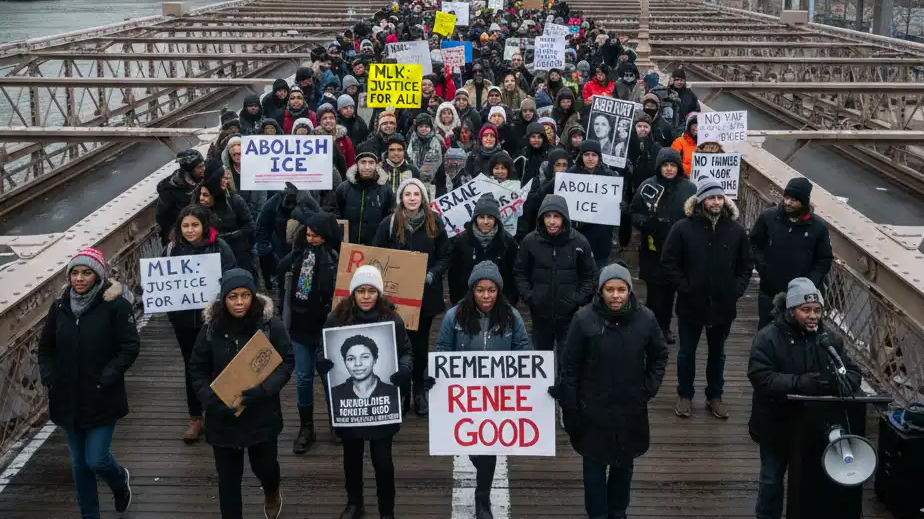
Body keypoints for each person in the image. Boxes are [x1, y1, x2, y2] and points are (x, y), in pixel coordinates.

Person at [553, 263, 669, 519]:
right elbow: (569, 364)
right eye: (609, 289)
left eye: (621, 289)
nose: (615, 295)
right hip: (592, 408)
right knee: (593, 468)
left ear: (629, 291)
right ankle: (597, 514)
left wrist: (648, 388)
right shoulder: (584, 319)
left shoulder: (646, 319)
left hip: (630, 408)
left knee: (624, 466)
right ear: (601, 291)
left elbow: (659, 354)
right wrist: (570, 405)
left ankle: (618, 511)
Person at [38, 247, 139, 519]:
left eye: (86, 273)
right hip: (66, 397)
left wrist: (107, 377)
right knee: (79, 465)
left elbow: (129, 347)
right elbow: (45, 348)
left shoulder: (115, 305)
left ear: (97, 276)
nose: (79, 278)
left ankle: (120, 482)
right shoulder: (59, 306)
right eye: (74, 273)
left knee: (96, 459)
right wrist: (50, 378)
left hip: (101, 396)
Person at [747, 277, 861, 519]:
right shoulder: (767, 338)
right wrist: (799, 383)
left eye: (817, 310)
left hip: (812, 429)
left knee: (809, 484)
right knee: (771, 481)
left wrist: (833, 382)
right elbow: (761, 377)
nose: (813, 316)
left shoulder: (829, 340)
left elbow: (852, 373)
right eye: (805, 310)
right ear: (791, 310)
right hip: (776, 425)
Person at [188, 269, 294, 519]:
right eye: (233, 296)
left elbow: (286, 360)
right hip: (223, 419)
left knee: (266, 468)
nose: (239, 302)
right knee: (228, 483)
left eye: (245, 295)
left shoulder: (270, 326)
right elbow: (197, 367)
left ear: (253, 296)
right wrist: (211, 401)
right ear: (223, 299)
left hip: (261, 414)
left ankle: (271, 490)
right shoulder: (211, 329)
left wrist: (264, 391)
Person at [436, 260, 531, 519]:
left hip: (498, 397)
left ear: (499, 290)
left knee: (487, 452)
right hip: (465, 396)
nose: (486, 296)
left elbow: (523, 351)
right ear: (472, 290)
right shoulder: (454, 316)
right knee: (475, 447)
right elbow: (443, 349)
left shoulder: (512, 316)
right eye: (480, 290)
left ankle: (482, 498)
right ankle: (482, 491)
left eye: (491, 290)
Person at [317, 265, 413, 519]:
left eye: (372, 291)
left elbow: (406, 351)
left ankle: (387, 511)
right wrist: (322, 364)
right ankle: (354, 503)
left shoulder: (392, 319)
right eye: (361, 291)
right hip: (349, 407)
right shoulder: (336, 318)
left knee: (383, 461)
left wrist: (404, 369)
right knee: (352, 458)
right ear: (353, 293)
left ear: (379, 294)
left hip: (383, 406)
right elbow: (322, 350)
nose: (367, 296)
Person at [661, 177, 753, 419]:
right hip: (691, 303)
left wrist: (736, 290)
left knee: (718, 354)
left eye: (719, 197)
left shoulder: (736, 231)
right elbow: (669, 262)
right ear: (701, 200)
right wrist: (685, 287)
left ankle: (715, 396)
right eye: (711, 197)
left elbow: (746, 265)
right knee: (686, 353)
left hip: (723, 305)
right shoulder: (682, 228)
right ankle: (685, 395)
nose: (715, 202)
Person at [373, 178, 451, 416]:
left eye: (417, 194)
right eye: (408, 194)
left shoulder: (434, 222)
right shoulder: (389, 224)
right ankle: (402, 391)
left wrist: (432, 274)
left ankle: (419, 390)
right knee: (396, 344)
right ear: (401, 198)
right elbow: (377, 255)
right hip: (395, 299)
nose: (412, 198)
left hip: (424, 298)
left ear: (423, 198)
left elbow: (445, 256)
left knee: (419, 346)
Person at [164, 205, 237, 443]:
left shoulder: (220, 247)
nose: (190, 230)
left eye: (194, 225)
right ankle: (196, 417)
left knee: (219, 363)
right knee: (191, 366)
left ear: (204, 226)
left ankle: (220, 413)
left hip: (213, 319)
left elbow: (232, 279)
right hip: (184, 320)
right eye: (185, 226)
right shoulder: (172, 249)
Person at [278, 211, 343, 452]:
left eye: (316, 235)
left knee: (329, 378)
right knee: (304, 378)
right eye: (307, 234)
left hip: (327, 327)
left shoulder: (337, 260)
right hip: (301, 326)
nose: (311, 239)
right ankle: (306, 426)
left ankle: (335, 422)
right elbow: (280, 273)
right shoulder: (296, 257)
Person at [514, 194, 597, 362]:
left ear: (564, 218)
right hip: (540, 315)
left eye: (556, 216)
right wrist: (530, 296)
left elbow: (590, 275)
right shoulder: (530, 242)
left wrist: (577, 299)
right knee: (540, 361)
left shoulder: (580, 242)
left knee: (566, 360)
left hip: (570, 315)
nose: (552, 221)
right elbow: (520, 272)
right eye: (547, 216)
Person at [629, 148, 695, 344]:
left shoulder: (689, 189)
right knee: (655, 292)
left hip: (680, 250)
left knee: (672, 291)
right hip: (653, 248)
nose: (668, 169)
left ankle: (665, 328)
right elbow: (634, 213)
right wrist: (647, 223)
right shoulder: (647, 186)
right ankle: (652, 328)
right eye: (665, 165)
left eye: (672, 165)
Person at [749, 177, 833, 329]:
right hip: (770, 291)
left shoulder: (818, 228)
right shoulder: (768, 217)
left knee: (797, 338)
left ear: (804, 202)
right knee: (765, 333)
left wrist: (811, 283)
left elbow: (825, 259)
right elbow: (753, 244)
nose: (788, 203)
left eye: (794, 200)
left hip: (801, 298)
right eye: (786, 197)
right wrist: (763, 268)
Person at [448, 193, 520, 305]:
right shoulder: (462, 241)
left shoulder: (508, 242)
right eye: (481, 217)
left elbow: (513, 278)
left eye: (490, 217)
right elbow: (454, 275)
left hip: (500, 304)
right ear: (475, 218)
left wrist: (509, 303)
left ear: (496, 219)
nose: (485, 222)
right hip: (467, 303)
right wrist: (457, 302)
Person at [195, 159, 255, 276]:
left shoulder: (235, 201)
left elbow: (249, 227)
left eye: (205, 195)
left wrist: (226, 238)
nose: (225, 180)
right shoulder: (198, 207)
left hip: (238, 257)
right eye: (222, 177)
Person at [334, 140, 396, 245]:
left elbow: (390, 220)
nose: (367, 167)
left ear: (376, 165)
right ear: (356, 164)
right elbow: (336, 216)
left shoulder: (386, 190)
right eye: (363, 162)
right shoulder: (343, 189)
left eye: (371, 162)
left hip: (376, 248)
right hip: (348, 246)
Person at [156, 149, 205, 245]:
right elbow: (162, 218)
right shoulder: (170, 191)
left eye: (203, 165)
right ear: (190, 170)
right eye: (200, 167)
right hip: (181, 238)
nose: (203, 169)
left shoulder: (204, 180)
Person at [670, 112, 698, 178]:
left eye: (700, 125)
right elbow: (671, 162)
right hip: (682, 180)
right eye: (694, 125)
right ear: (688, 127)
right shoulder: (679, 142)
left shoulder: (706, 145)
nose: (697, 128)